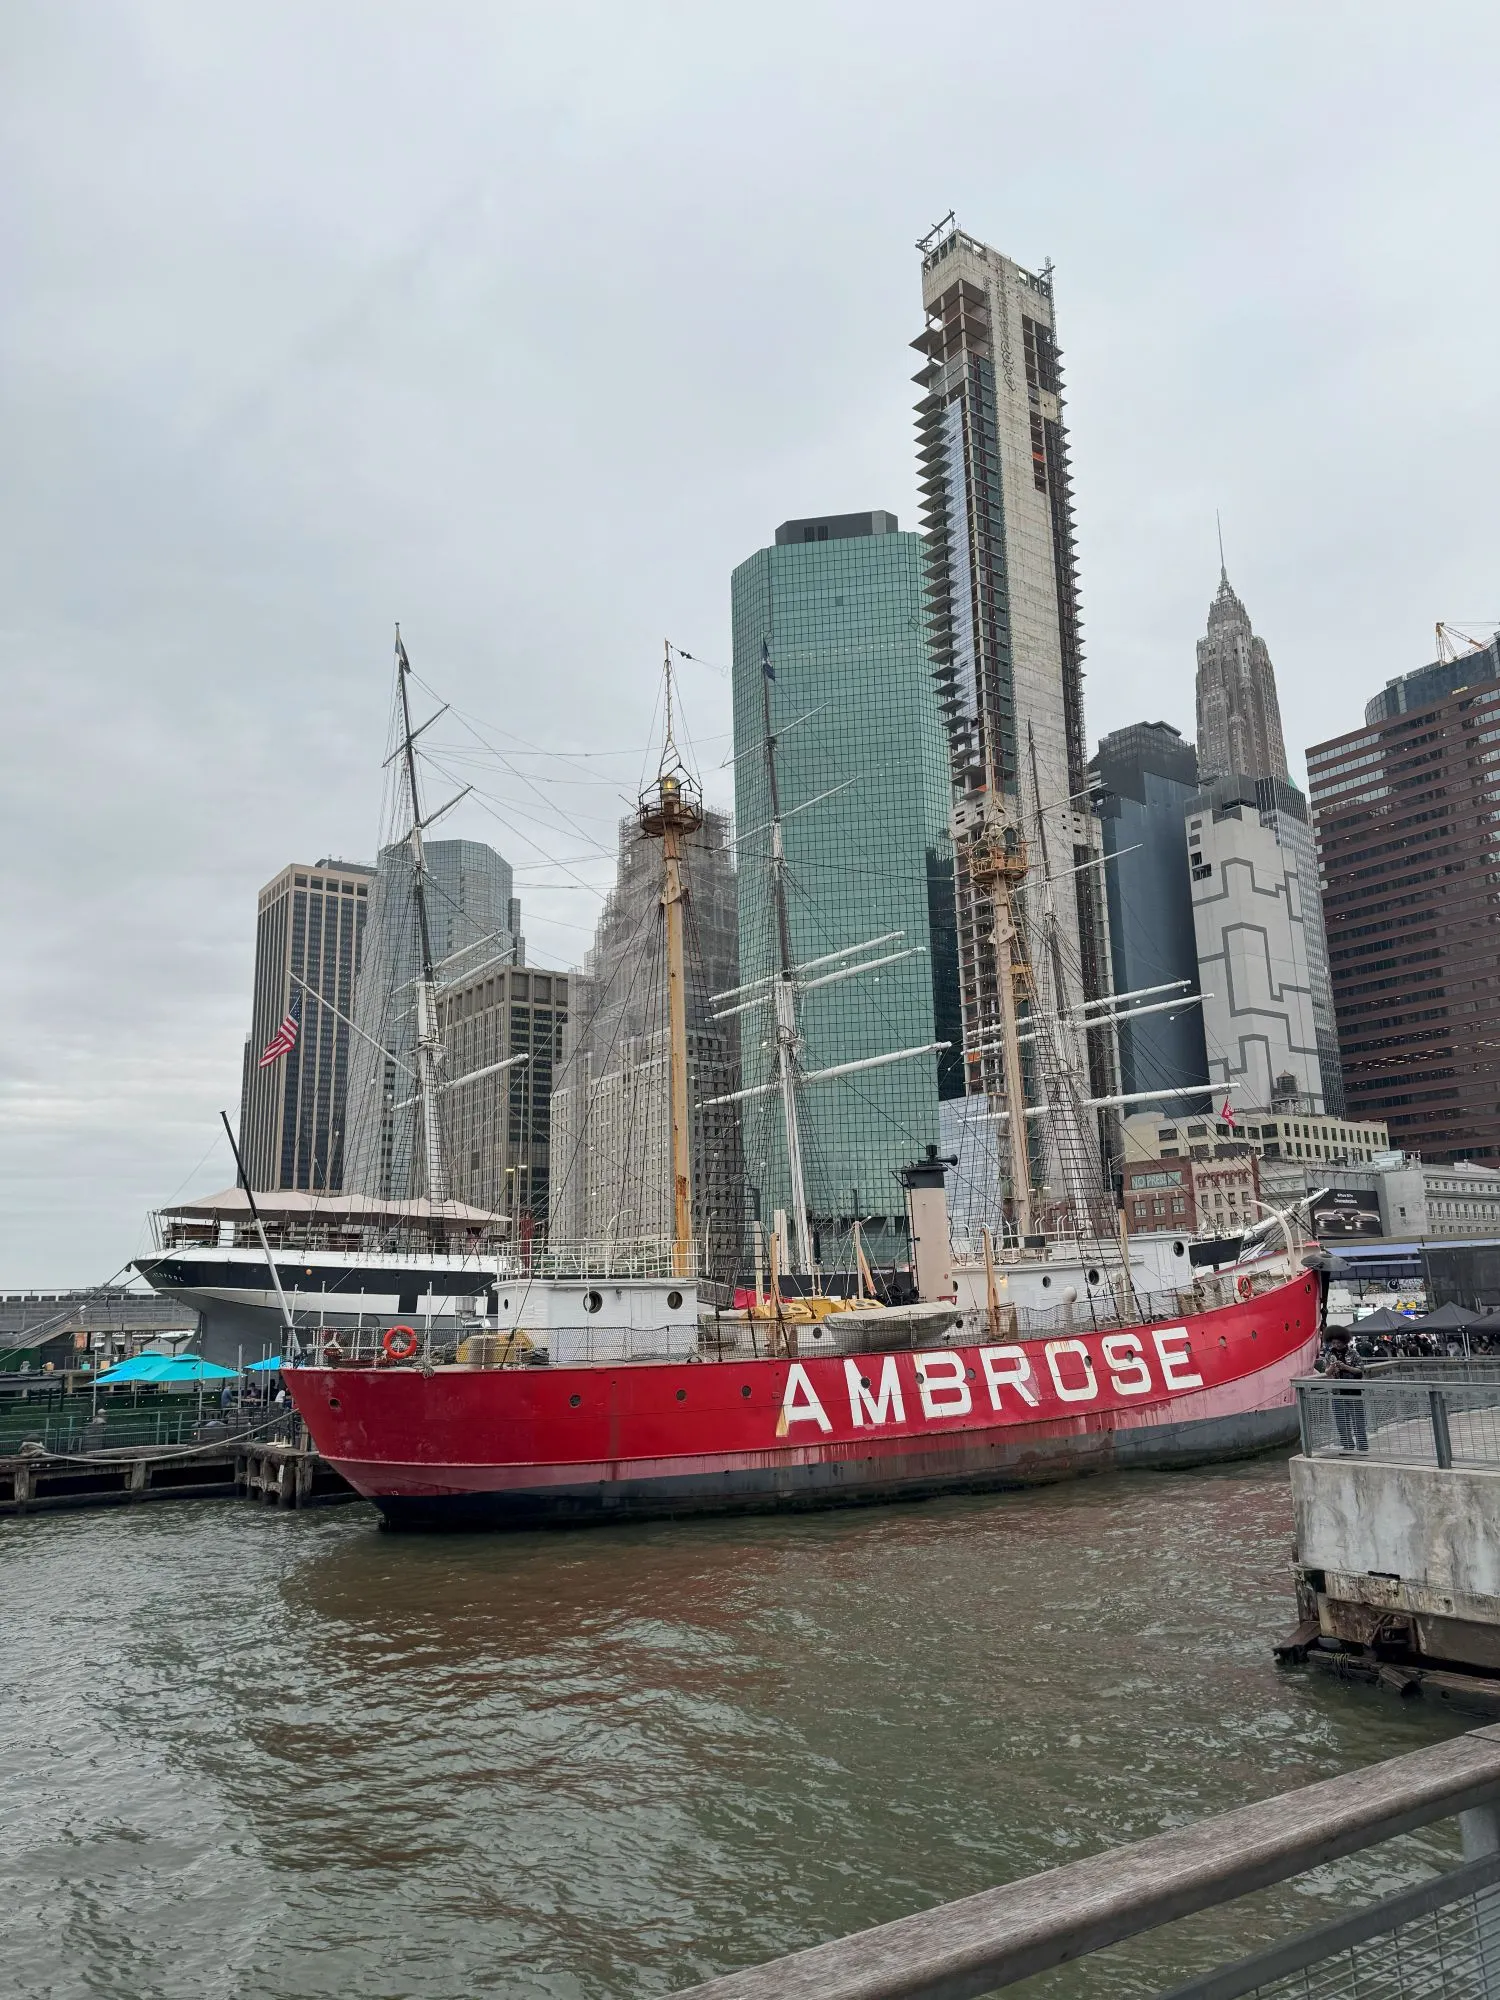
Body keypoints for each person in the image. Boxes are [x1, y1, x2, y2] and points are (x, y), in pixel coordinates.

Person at [1323, 1330, 1367, 1451]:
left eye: (1338, 1343)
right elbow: (1326, 1372)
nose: (1336, 1345)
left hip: (1353, 1390)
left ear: (1344, 1342)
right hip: (1337, 1391)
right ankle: (1347, 1445)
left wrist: (1346, 1367)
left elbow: (1360, 1370)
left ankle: (1362, 1446)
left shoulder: (1353, 1353)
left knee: (1358, 1421)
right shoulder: (1329, 1354)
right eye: (1334, 1343)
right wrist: (1332, 1367)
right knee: (1341, 1422)